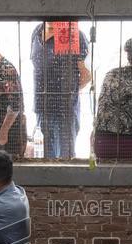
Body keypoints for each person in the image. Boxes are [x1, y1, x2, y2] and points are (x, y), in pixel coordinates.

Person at [30, 21, 91, 159]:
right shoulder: (36, 31)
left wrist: (69, 91)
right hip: (42, 108)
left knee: (65, 159)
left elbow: (86, 76)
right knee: (45, 157)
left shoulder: (74, 34)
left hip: (65, 111)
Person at [92, 38, 132, 162]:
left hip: (101, 143)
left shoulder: (110, 75)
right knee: (128, 179)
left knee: (103, 178)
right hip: (127, 146)